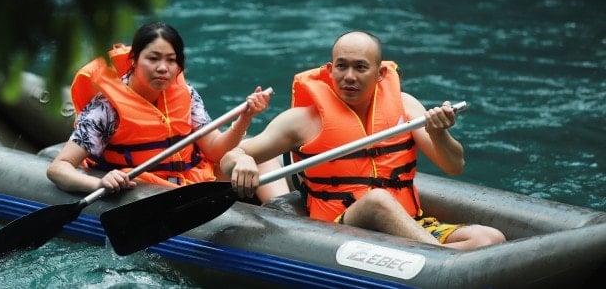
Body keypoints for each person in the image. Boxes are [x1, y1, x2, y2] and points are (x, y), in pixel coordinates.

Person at [220, 30, 506, 249]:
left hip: (409, 223)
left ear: (381, 73)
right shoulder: (303, 120)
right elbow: (229, 158)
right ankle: (440, 261)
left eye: (360, 67)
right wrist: (242, 160)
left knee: (489, 238)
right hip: (335, 228)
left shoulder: (406, 106)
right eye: (341, 67)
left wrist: (439, 132)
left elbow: (454, 165)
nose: (349, 77)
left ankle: (435, 262)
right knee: (377, 201)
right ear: (330, 70)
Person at [47, 21, 289, 202]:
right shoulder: (105, 108)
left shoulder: (187, 94)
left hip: (193, 179)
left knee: (262, 156)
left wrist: (245, 117)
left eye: (171, 60)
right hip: (146, 187)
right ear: (134, 59)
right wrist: (99, 183)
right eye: (153, 58)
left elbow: (215, 149)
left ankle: (284, 219)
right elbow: (58, 168)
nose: (163, 68)